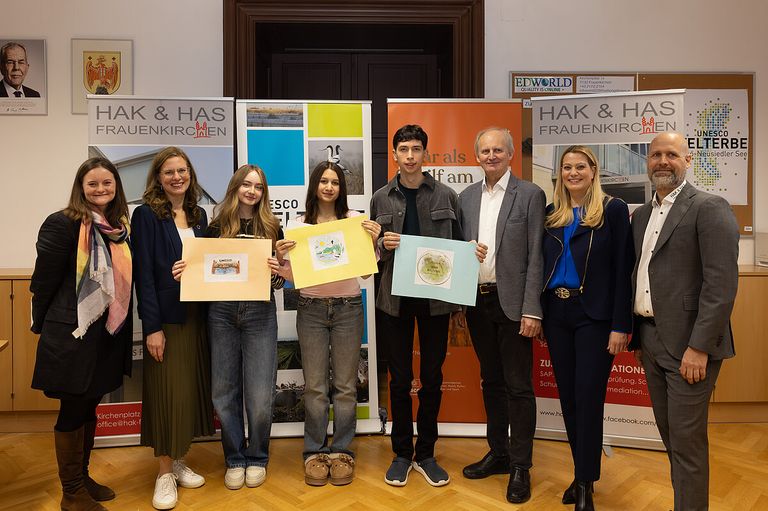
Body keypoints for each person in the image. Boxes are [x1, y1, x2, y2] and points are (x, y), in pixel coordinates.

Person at [630, 132, 738, 511]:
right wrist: (640, 341)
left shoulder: (709, 207)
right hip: (652, 340)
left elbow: (720, 286)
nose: (662, 161)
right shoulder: (641, 215)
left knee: (688, 444)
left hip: (691, 347)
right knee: (671, 439)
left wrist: (699, 348)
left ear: (687, 159)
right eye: (656, 154)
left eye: (671, 154)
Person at [172, 164, 284, 491]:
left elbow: (278, 280)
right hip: (221, 313)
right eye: (246, 185)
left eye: (258, 187)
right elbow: (203, 269)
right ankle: (235, 457)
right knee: (223, 393)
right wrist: (185, 270)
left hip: (260, 312)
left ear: (263, 193)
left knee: (261, 396)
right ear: (235, 188)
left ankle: (258, 456)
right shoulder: (215, 225)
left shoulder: (273, 227)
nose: (252, 191)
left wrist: (277, 271)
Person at [31, 157, 133, 510]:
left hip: (104, 333)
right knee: (73, 409)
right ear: (81, 187)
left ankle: (83, 477)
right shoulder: (62, 224)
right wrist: (41, 324)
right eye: (93, 184)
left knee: (90, 405)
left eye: (107, 183)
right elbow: (43, 281)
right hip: (72, 332)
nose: (101, 189)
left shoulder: (117, 226)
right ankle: (70, 492)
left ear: (116, 186)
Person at [275, 162, 381, 487]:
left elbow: (365, 272)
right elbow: (294, 277)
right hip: (310, 308)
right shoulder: (297, 225)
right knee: (316, 387)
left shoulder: (354, 221)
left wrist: (373, 244)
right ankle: (314, 452)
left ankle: (343, 451)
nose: (329, 187)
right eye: (324, 181)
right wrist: (280, 258)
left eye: (335, 182)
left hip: (349, 307)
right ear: (315, 185)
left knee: (346, 386)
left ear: (341, 188)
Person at [541, 146, 634, 511]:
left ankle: (585, 484)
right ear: (560, 173)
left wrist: (620, 325)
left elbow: (622, 270)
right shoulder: (553, 214)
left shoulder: (611, 210)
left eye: (581, 166)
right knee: (568, 399)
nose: (573, 173)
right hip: (557, 313)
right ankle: (580, 473)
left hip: (594, 316)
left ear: (594, 171)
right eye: (567, 167)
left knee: (588, 398)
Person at [370, 124, 462, 488]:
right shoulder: (380, 198)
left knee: (433, 378)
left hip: (436, 303)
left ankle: (426, 453)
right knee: (399, 380)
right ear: (394, 154)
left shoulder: (447, 196)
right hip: (394, 301)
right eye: (403, 149)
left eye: (416, 149)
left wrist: (460, 304)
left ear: (426, 153)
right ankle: (401, 453)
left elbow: (459, 248)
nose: (410, 155)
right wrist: (381, 247)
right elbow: (369, 255)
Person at [457, 127, 545, 504]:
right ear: (476, 156)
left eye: (497, 150)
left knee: (518, 387)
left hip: (514, 306)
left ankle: (522, 466)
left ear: (510, 154)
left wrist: (531, 309)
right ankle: (500, 452)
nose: (491, 156)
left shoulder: (530, 195)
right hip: (477, 302)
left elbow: (536, 256)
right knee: (490, 381)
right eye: (484, 150)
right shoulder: (466, 197)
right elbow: (457, 252)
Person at [131, 147, 214, 510]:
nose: (177, 177)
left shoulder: (199, 215)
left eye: (182, 170)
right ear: (158, 177)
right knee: (167, 392)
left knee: (188, 393)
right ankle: (164, 472)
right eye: (169, 172)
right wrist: (152, 328)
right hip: (165, 318)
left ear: (190, 175)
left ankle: (179, 460)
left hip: (198, 318)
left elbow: (211, 264)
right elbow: (144, 276)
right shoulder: (146, 215)